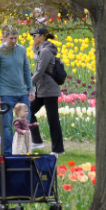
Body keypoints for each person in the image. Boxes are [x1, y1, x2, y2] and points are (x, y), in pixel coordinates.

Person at [0, 25, 35, 155]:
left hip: (22, 92)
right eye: (11, 38)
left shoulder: (21, 50)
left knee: (26, 122)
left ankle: (23, 150)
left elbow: (26, 70)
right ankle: (8, 153)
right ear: (4, 37)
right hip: (6, 93)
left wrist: (30, 89)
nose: (14, 41)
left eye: (16, 38)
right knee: (7, 125)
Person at [29, 26, 65, 155]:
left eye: (35, 36)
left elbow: (39, 72)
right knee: (29, 110)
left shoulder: (45, 51)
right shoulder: (41, 49)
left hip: (49, 90)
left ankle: (58, 149)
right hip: (41, 89)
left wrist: (29, 85)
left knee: (53, 119)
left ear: (42, 37)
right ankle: (37, 141)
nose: (33, 38)